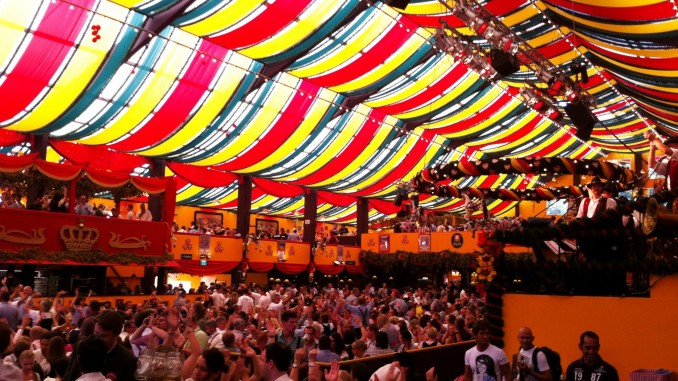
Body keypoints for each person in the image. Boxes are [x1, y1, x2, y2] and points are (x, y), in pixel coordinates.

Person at [94, 310, 137, 381]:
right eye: (96, 333)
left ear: (116, 334)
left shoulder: (128, 360)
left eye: (103, 336)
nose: (97, 338)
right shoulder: (84, 349)